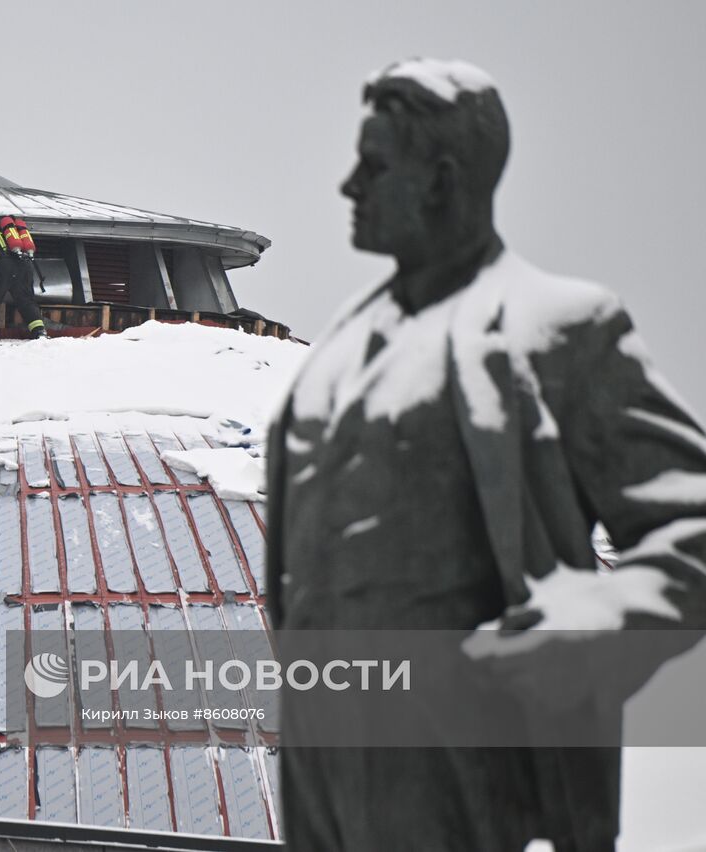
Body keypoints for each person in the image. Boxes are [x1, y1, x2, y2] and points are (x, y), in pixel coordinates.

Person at [264, 58, 706, 851]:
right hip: (323, 751)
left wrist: (601, 619)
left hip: (463, 759)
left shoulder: (562, 332)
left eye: (374, 166)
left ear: (439, 181)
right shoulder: (333, 350)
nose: (348, 187)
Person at [0, 215, 45, 340]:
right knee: (27, 300)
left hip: (3, 265)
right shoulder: (18, 235)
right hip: (25, 264)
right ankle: (39, 331)